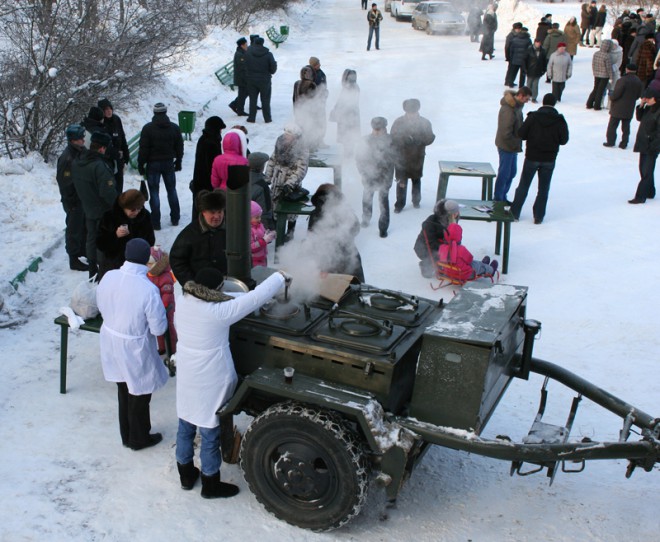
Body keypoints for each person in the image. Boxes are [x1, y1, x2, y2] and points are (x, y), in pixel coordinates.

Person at [174, 267, 288, 497]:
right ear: (215, 290)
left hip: (187, 373)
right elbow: (253, 300)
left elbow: (233, 298)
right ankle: (210, 483)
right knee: (209, 431)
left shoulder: (183, 300)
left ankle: (185, 475)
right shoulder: (219, 313)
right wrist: (279, 278)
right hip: (210, 378)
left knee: (185, 424)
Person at [96, 238, 169, 451]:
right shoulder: (147, 288)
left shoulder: (109, 276)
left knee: (122, 387)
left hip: (110, 339)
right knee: (140, 392)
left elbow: (100, 302)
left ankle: (126, 434)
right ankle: (139, 437)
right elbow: (157, 328)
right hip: (134, 346)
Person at [510, 93, 569, 224]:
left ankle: (515, 212)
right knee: (543, 188)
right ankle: (539, 216)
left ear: (543, 102)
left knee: (524, 185)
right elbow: (564, 140)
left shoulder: (534, 117)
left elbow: (521, 133)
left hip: (532, 156)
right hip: (549, 159)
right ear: (554, 104)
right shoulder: (559, 120)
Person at [71, 131, 117, 279]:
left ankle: (92, 269)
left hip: (88, 207)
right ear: (102, 148)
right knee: (105, 241)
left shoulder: (79, 161)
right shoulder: (99, 166)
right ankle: (103, 271)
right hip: (103, 210)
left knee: (91, 239)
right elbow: (107, 193)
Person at [137, 102, 184, 230]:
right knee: (171, 190)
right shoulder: (174, 127)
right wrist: (179, 160)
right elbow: (179, 145)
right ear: (165, 112)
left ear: (154, 112)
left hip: (153, 164)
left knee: (154, 192)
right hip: (168, 162)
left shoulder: (148, 128)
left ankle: (155, 222)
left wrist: (141, 163)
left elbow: (144, 148)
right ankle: (175, 218)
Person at [306, 184, 365, 282]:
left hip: (326, 260)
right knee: (355, 291)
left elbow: (311, 238)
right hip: (349, 256)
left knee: (330, 292)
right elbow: (356, 229)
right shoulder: (346, 210)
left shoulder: (315, 214)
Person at [170, 189, 228, 286]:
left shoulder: (230, 229)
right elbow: (177, 260)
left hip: (226, 284)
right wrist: (191, 283)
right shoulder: (189, 234)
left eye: (220, 211)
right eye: (212, 212)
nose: (217, 216)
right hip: (200, 288)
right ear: (203, 212)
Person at [96, 188, 155, 280]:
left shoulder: (145, 216)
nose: (136, 212)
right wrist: (115, 236)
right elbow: (100, 244)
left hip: (136, 268)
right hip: (113, 267)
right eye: (132, 210)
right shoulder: (109, 217)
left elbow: (150, 241)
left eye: (139, 209)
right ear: (124, 207)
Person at [264, 124, 309, 241]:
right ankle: (277, 232)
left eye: (289, 135)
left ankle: (290, 232)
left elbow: (301, 169)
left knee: (290, 211)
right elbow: (272, 160)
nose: (286, 137)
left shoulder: (301, 149)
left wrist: (290, 183)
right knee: (275, 207)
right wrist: (267, 177)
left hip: (290, 186)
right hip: (276, 181)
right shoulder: (280, 143)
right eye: (286, 134)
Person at [390, 98, 436, 212]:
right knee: (401, 181)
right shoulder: (398, 122)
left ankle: (416, 201)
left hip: (417, 156)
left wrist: (419, 140)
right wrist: (403, 140)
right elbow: (392, 137)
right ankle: (399, 204)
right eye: (409, 113)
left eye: (413, 113)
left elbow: (430, 137)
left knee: (416, 179)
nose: (411, 115)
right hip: (401, 156)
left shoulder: (425, 122)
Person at [56, 124, 89, 271]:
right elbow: (65, 183)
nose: (83, 140)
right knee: (73, 229)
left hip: (82, 197)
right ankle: (73, 259)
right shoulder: (67, 158)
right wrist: (71, 201)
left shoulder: (80, 151)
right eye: (80, 138)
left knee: (83, 226)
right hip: (74, 200)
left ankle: (83, 251)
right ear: (73, 140)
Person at [356, 116, 395, 238]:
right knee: (367, 198)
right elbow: (359, 158)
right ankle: (366, 219)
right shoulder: (365, 140)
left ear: (385, 128)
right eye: (375, 129)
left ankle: (383, 228)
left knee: (383, 202)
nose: (377, 131)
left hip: (385, 176)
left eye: (380, 129)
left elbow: (395, 159)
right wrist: (363, 172)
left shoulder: (391, 141)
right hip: (369, 175)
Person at [493, 87, 531, 203]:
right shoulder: (509, 109)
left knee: (512, 172)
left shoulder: (517, 107)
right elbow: (506, 132)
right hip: (507, 146)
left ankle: (503, 195)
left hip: (513, 146)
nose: (527, 101)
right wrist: (514, 143)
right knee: (505, 173)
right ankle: (499, 198)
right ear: (521, 96)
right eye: (527, 99)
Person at [413, 198, 459, 278]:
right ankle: (425, 265)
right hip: (424, 248)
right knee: (441, 256)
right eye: (454, 213)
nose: (457, 214)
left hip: (441, 245)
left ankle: (445, 265)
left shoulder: (453, 219)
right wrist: (447, 249)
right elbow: (431, 243)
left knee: (455, 253)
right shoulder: (431, 222)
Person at [628, 88, 660, 204]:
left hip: (651, 146)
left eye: (648, 98)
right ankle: (650, 191)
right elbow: (639, 118)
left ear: (655, 99)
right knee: (644, 169)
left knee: (646, 171)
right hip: (643, 143)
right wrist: (641, 105)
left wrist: (653, 146)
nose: (646, 100)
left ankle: (640, 196)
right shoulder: (649, 108)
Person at [191, 116, 226, 220]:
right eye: (220, 129)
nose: (221, 131)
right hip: (207, 183)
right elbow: (212, 166)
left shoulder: (204, 139)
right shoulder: (211, 143)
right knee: (206, 207)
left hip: (199, 181)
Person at [147, 245, 177, 355]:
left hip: (166, 307)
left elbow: (167, 295)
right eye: (147, 263)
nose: (148, 266)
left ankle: (172, 348)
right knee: (157, 326)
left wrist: (163, 307)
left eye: (150, 263)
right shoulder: (149, 274)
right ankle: (162, 347)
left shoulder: (164, 276)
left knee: (168, 327)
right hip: (156, 307)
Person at [98, 98, 130, 193]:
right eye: (105, 110)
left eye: (110, 109)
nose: (108, 111)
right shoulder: (100, 123)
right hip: (107, 160)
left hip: (119, 158)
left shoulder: (116, 119)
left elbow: (122, 137)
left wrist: (126, 154)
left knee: (119, 186)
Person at [245, 37, 277, 124]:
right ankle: (267, 118)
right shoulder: (268, 54)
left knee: (252, 99)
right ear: (263, 43)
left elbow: (245, 66)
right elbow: (273, 70)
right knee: (265, 99)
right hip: (264, 80)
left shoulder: (248, 53)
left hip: (251, 80)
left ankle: (251, 118)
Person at [329, 69, 361, 156]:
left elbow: (344, 102)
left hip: (349, 116)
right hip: (348, 115)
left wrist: (336, 110)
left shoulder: (351, 87)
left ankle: (348, 154)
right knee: (347, 137)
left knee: (348, 136)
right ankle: (348, 153)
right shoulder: (350, 87)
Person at [292, 65, 319, 147]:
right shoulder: (312, 84)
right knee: (309, 131)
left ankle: (299, 147)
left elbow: (293, 98)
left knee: (300, 130)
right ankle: (308, 147)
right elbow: (314, 100)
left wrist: (295, 110)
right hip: (309, 112)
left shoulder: (297, 83)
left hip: (299, 110)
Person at [248, 151, 275, 230]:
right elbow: (265, 210)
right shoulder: (261, 185)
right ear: (261, 167)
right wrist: (267, 229)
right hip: (257, 227)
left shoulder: (242, 178)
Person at [586, 40, 613, 111]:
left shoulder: (596, 53)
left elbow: (593, 64)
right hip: (604, 76)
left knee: (595, 89)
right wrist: (611, 76)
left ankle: (589, 103)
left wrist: (594, 72)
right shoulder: (607, 56)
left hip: (596, 74)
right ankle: (597, 105)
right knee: (600, 90)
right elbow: (609, 68)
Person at [309, 56, 329, 148]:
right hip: (313, 103)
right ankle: (312, 142)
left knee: (321, 123)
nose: (320, 65)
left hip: (321, 102)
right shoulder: (309, 74)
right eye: (317, 64)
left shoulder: (320, 72)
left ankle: (320, 140)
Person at [250, 201, 275, 267]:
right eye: (257, 217)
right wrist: (264, 240)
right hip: (253, 260)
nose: (260, 219)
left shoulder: (260, 225)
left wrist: (269, 235)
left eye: (260, 217)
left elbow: (263, 235)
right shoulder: (248, 230)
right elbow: (250, 247)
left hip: (263, 257)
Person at [505, 24, 531, 88]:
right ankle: (521, 85)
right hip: (524, 60)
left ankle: (510, 82)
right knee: (523, 73)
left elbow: (511, 49)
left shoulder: (515, 39)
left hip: (515, 58)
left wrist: (510, 57)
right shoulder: (528, 40)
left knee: (513, 71)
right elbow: (530, 50)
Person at [228, 37, 249, 117]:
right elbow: (243, 67)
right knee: (243, 94)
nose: (247, 45)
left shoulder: (242, 52)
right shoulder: (240, 54)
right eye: (246, 44)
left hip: (243, 77)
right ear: (242, 45)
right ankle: (239, 110)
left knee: (244, 93)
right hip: (242, 78)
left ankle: (235, 105)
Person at [525, 40, 548, 104]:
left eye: (539, 43)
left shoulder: (543, 51)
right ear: (534, 43)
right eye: (537, 42)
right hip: (530, 70)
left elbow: (544, 61)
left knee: (535, 85)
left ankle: (534, 97)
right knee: (529, 84)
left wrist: (544, 70)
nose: (538, 44)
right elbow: (525, 60)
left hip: (538, 71)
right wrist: (525, 69)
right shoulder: (529, 50)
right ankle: (527, 96)